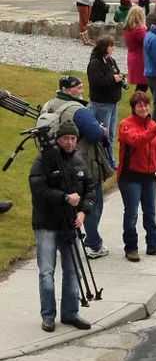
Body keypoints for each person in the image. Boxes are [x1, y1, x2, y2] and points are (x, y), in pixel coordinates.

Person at [29, 120, 95, 332]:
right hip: (46, 225)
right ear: (58, 139)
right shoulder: (42, 162)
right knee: (46, 271)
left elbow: (89, 188)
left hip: (70, 224)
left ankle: (71, 313)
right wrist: (65, 197)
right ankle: (48, 315)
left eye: (73, 138)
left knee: (73, 270)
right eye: (66, 138)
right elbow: (38, 191)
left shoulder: (78, 160)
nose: (69, 142)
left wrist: (84, 212)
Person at [41, 75, 112, 259]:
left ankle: (63, 244)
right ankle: (93, 244)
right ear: (66, 90)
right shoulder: (77, 109)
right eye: (77, 88)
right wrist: (102, 130)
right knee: (91, 202)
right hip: (81, 162)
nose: (82, 90)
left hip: (54, 162)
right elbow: (95, 133)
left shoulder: (49, 104)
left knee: (63, 203)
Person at [116, 91, 156, 262]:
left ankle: (155, 244)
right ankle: (131, 248)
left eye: (145, 104)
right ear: (133, 108)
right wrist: (155, 128)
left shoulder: (154, 126)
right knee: (132, 213)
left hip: (148, 177)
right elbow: (136, 140)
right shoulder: (126, 125)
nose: (143, 107)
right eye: (139, 105)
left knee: (150, 212)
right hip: (130, 177)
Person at [85, 38, 124, 168]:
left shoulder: (110, 61)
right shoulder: (95, 63)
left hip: (112, 103)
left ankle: (110, 160)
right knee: (103, 134)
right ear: (104, 47)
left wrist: (120, 78)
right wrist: (113, 79)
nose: (113, 48)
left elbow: (116, 73)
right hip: (101, 103)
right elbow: (96, 82)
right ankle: (103, 161)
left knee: (111, 134)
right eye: (111, 46)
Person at [121, 5, 148, 92]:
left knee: (141, 86)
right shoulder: (138, 30)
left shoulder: (128, 29)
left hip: (133, 57)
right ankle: (137, 103)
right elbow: (148, 41)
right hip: (140, 59)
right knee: (143, 86)